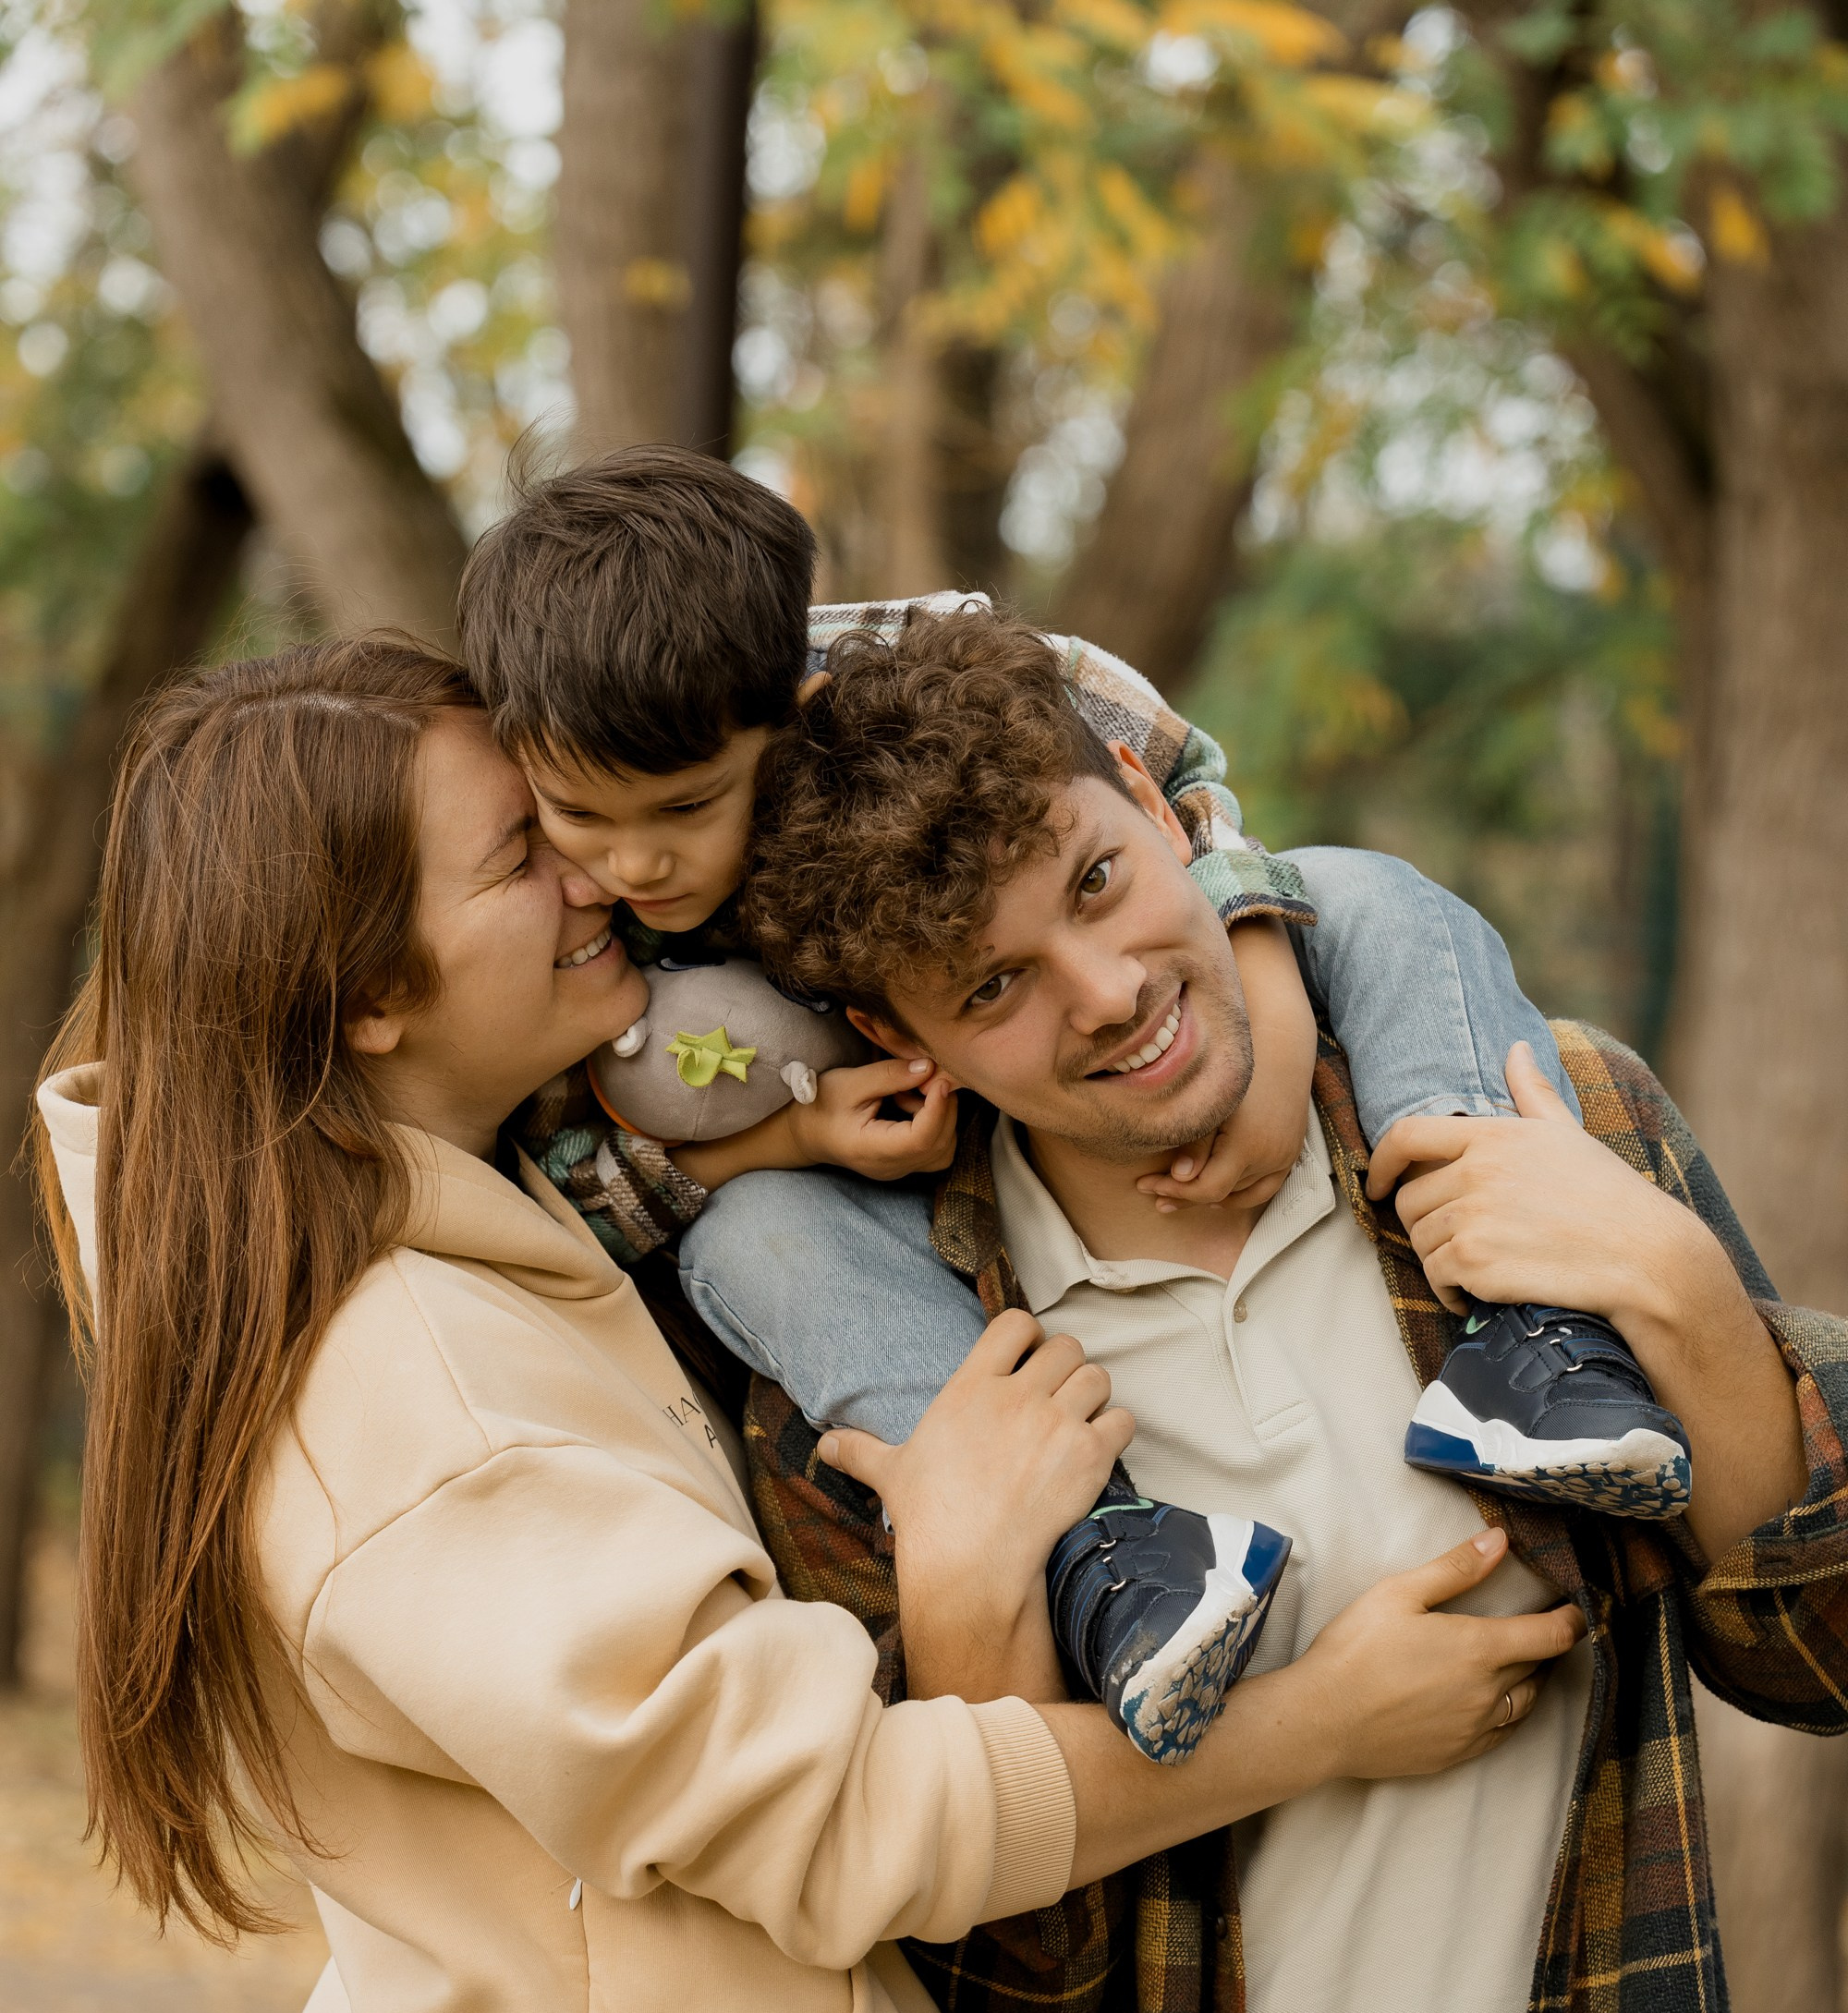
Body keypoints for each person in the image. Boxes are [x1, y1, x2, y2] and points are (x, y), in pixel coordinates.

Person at [32, 636, 1574, 2013]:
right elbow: (836, 1817)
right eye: (522, 851)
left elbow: (794, 678)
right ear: (369, 994)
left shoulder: (504, 1226)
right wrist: (1326, 1720)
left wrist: (1255, 950)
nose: (604, 871)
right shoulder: (417, 1402)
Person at [736, 600, 1848, 2013]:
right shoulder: (900, 1374)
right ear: (915, 1045)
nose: (1107, 999)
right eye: (994, 987)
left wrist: (1682, 1296)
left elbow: (1821, 1653)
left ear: (1158, 798)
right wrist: (969, 1630)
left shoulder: (1551, 1117)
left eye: (1095, 884)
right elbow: (1000, 2012)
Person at [462, 446, 1684, 1763]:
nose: (632, 863)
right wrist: (788, 1138)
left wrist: (1268, 1037)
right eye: (582, 817)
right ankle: (1113, 1557)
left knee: (1369, 889)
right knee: (750, 1240)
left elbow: (1183, 782)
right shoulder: (566, 894)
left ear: (788, 704)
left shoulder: (901, 676)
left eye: (688, 810)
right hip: (896, 1193)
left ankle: (1537, 1332)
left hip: (1076, 1077)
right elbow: (570, 1170)